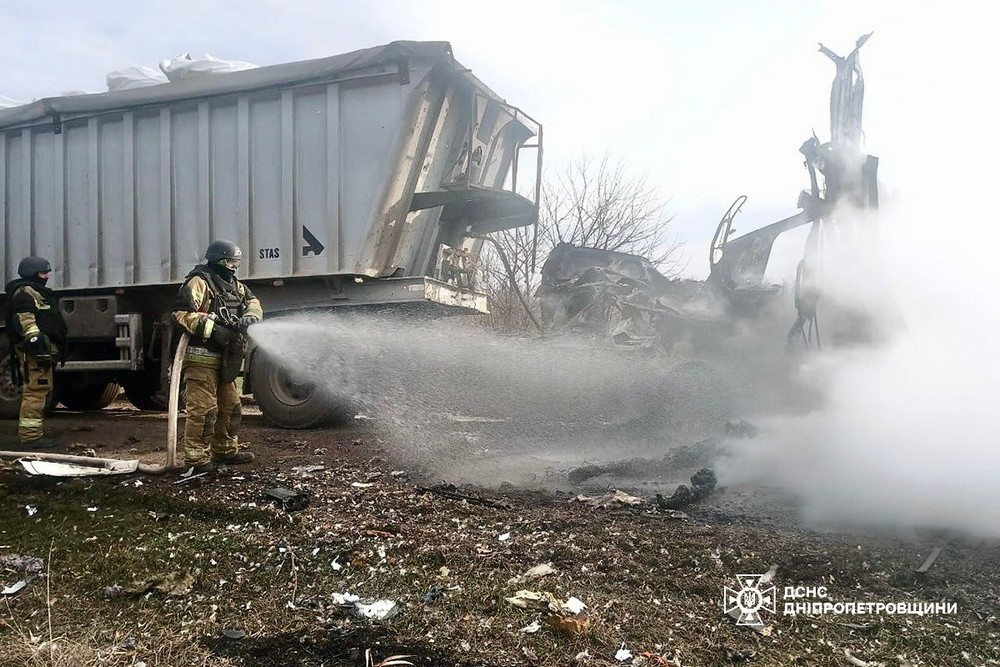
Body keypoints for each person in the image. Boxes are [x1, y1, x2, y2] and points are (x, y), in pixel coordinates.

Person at [172, 240, 262, 473]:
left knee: (231, 407)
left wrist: (250, 317)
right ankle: (196, 460)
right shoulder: (199, 281)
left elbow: (253, 303)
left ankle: (224, 451)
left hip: (226, 358)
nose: (233, 267)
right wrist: (213, 329)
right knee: (204, 410)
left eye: (237, 263)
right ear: (217, 260)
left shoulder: (235, 286)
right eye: (230, 262)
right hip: (201, 356)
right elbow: (181, 314)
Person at [3, 257, 68, 448]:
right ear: (32, 273)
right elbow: (26, 322)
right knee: (35, 392)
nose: (46, 276)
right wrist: (37, 344)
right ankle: (31, 438)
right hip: (35, 353)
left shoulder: (34, 291)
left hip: (40, 353)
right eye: (43, 273)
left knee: (39, 391)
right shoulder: (25, 294)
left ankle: (33, 435)